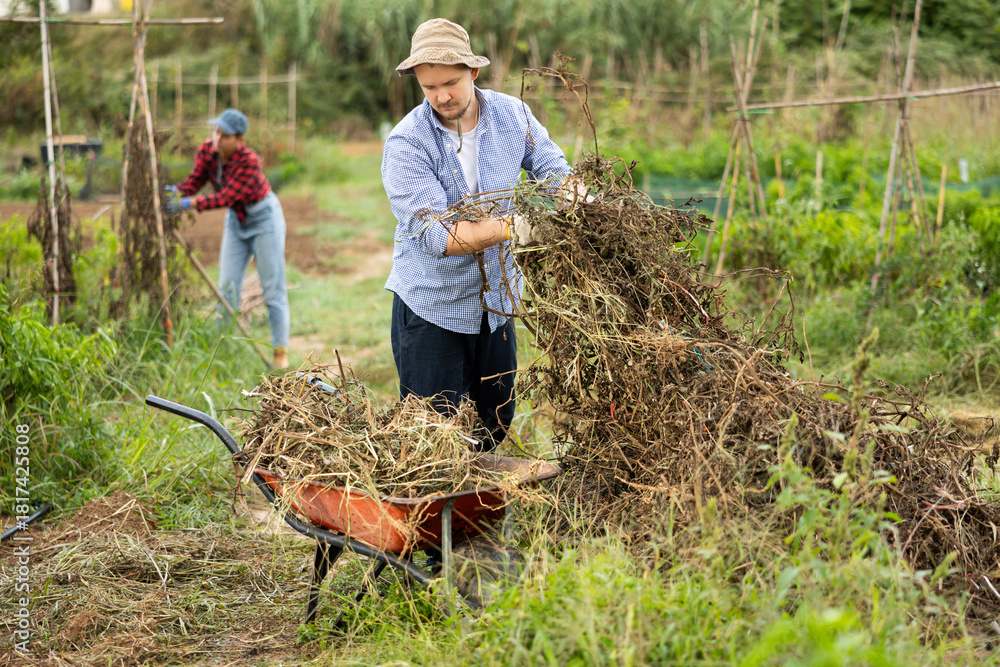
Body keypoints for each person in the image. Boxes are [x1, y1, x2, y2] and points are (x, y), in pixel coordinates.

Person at [381, 18, 572, 451]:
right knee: (434, 431)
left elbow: (553, 170)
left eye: (450, 82)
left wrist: (581, 199)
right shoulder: (407, 143)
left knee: (494, 419)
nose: (441, 96)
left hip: (497, 301)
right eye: (429, 87)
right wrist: (515, 226)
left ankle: (474, 513)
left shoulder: (512, 114)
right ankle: (433, 514)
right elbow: (439, 236)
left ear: (474, 72)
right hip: (434, 304)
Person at [165, 108, 290, 368]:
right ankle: (224, 348)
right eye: (216, 131)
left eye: (224, 135)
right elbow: (195, 180)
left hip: (263, 219)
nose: (217, 138)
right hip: (236, 222)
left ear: (239, 139)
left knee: (272, 288)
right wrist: (176, 192)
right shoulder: (207, 151)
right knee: (227, 288)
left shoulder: (250, 162)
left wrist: (187, 203)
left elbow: (225, 197)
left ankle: (280, 353)